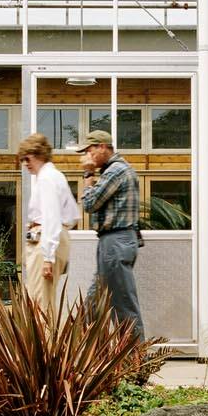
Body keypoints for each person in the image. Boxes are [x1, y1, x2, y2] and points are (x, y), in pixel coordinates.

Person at [75, 128, 145, 339]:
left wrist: (88, 175)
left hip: (116, 242)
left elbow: (90, 203)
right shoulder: (117, 170)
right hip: (114, 242)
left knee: (123, 304)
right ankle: (81, 348)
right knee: (93, 303)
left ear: (103, 147)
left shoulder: (116, 171)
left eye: (89, 150)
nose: (87, 156)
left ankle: (136, 354)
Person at [17, 132, 80, 317]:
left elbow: (51, 217)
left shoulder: (47, 178)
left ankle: (43, 337)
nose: (25, 163)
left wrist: (48, 257)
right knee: (42, 300)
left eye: (27, 158)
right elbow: (72, 215)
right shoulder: (54, 176)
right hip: (49, 237)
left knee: (40, 303)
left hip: (45, 238)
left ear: (39, 154)